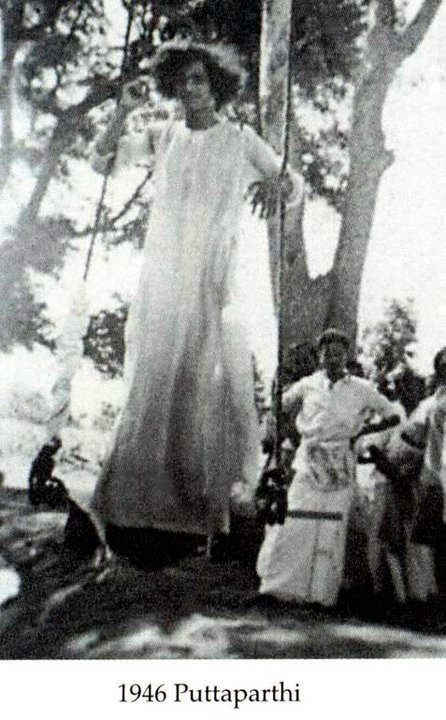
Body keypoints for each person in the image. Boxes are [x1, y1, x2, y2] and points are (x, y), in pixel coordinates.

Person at [90, 41, 303, 566]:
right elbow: (102, 161)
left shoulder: (240, 138)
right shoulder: (163, 135)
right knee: (150, 377)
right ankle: (135, 509)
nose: (191, 89)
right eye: (183, 80)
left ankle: (195, 511)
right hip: (163, 274)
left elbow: (294, 184)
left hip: (211, 272)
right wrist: (121, 111)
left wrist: (276, 186)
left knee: (201, 378)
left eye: (201, 79)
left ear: (217, 86)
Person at [256, 328, 400, 607]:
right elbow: (279, 407)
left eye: (338, 353)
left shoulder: (362, 388)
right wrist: (278, 393)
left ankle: (320, 596)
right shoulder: (308, 384)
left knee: (330, 530)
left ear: (346, 356)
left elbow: (392, 415)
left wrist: (362, 432)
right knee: (295, 521)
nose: (332, 359)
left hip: (340, 463)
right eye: (327, 353)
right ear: (320, 357)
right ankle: (279, 588)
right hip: (309, 460)